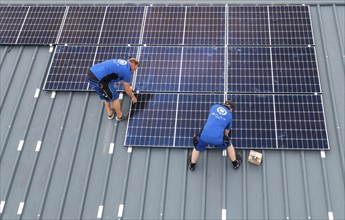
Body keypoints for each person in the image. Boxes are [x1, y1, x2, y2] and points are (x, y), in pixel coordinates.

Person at [188, 100, 242, 171]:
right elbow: (226, 133)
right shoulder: (229, 116)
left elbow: (211, 117)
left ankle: (192, 165)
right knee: (229, 144)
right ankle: (235, 163)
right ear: (231, 109)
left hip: (204, 136)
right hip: (217, 140)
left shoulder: (214, 106)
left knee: (197, 146)